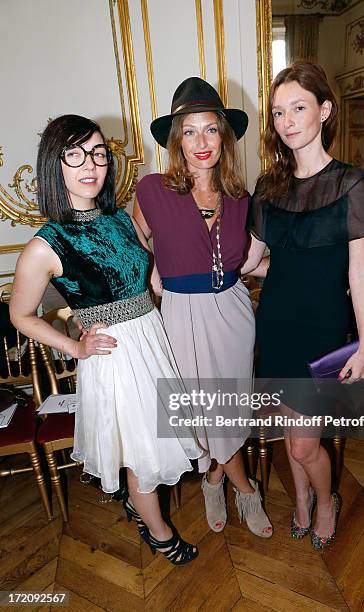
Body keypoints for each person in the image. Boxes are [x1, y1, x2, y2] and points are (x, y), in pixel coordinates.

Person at [10, 114, 202, 566]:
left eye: (97, 153)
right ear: (53, 165)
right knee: (143, 451)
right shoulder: (45, 244)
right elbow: (21, 315)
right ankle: (158, 532)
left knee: (156, 436)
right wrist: (75, 348)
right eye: (74, 155)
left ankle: (140, 508)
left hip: (151, 342)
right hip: (114, 356)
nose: (90, 165)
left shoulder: (119, 217)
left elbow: (144, 274)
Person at [241, 62, 364, 549]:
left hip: (323, 327)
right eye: (279, 112)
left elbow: (359, 270)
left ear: (324, 111)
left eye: (298, 108)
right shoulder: (269, 187)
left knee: (306, 441)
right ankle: (303, 502)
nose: (286, 121)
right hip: (277, 324)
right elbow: (254, 262)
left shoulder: (351, 185)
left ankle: (326, 500)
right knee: (291, 431)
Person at [133, 77, 273, 537]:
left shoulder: (241, 198)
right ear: (175, 141)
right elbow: (133, 257)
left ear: (224, 137)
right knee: (197, 417)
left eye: (210, 129)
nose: (200, 142)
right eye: (188, 131)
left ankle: (216, 481)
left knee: (227, 411)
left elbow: (256, 262)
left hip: (232, 313)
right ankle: (243, 488)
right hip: (177, 317)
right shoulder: (151, 191)